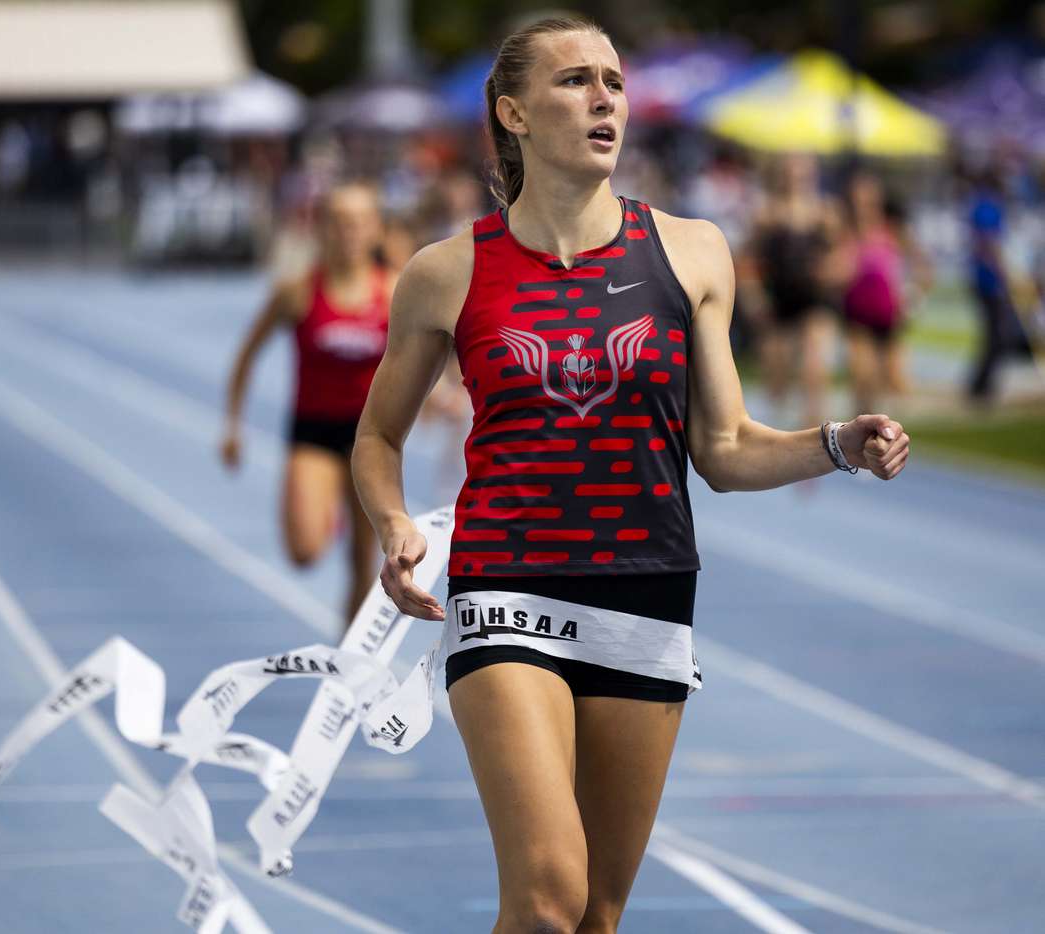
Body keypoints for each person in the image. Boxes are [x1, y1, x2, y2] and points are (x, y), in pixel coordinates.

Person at [351, 17, 910, 934]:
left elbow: (723, 450)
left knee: (598, 916)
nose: (604, 96)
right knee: (545, 899)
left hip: (645, 595)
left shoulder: (691, 253)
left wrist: (839, 441)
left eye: (613, 79)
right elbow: (377, 436)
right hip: (506, 586)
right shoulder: (447, 272)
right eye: (575, 81)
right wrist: (393, 521)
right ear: (514, 112)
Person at [222, 181, 394, 624]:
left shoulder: (395, 292)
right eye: (337, 223)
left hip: (371, 438)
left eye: (358, 223)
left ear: (376, 230)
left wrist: (442, 395)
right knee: (303, 551)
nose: (348, 233)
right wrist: (232, 426)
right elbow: (246, 356)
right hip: (313, 430)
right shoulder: (297, 291)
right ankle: (327, 509)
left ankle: (352, 667)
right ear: (320, 229)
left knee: (364, 563)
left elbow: (436, 354)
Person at [745, 152, 844, 428]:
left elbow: (841, 255)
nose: (796, 178)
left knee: (815, 366)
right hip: (779, 300)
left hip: (814, 299)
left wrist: (829, 271)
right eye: (791, 172)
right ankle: (777, 432)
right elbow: (748, 261)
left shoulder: (824, 212)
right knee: (777, 381)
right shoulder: (767, 215)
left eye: (802, 173)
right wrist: (753, 297)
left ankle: (816, 434)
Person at [839, 170, 932, 415]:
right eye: (858, 199)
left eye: (869, 199)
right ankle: (859, 426)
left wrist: (914, 296)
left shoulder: (892, 231)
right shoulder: (844, 232)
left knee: (896, 380)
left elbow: (923, 266)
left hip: (889, 313)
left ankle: (886, 428)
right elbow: (834, 271)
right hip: (857, 313)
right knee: (862, 375)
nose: (863, 205)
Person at [966, 165, 1033, 401]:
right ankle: (980, 386)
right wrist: (1004, 273)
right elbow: (988, 243)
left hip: (985, 278)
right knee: (997, 334)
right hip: (989, 280)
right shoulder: (988, 206)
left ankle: (982, 384)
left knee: (995, 334)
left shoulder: (982, 204)